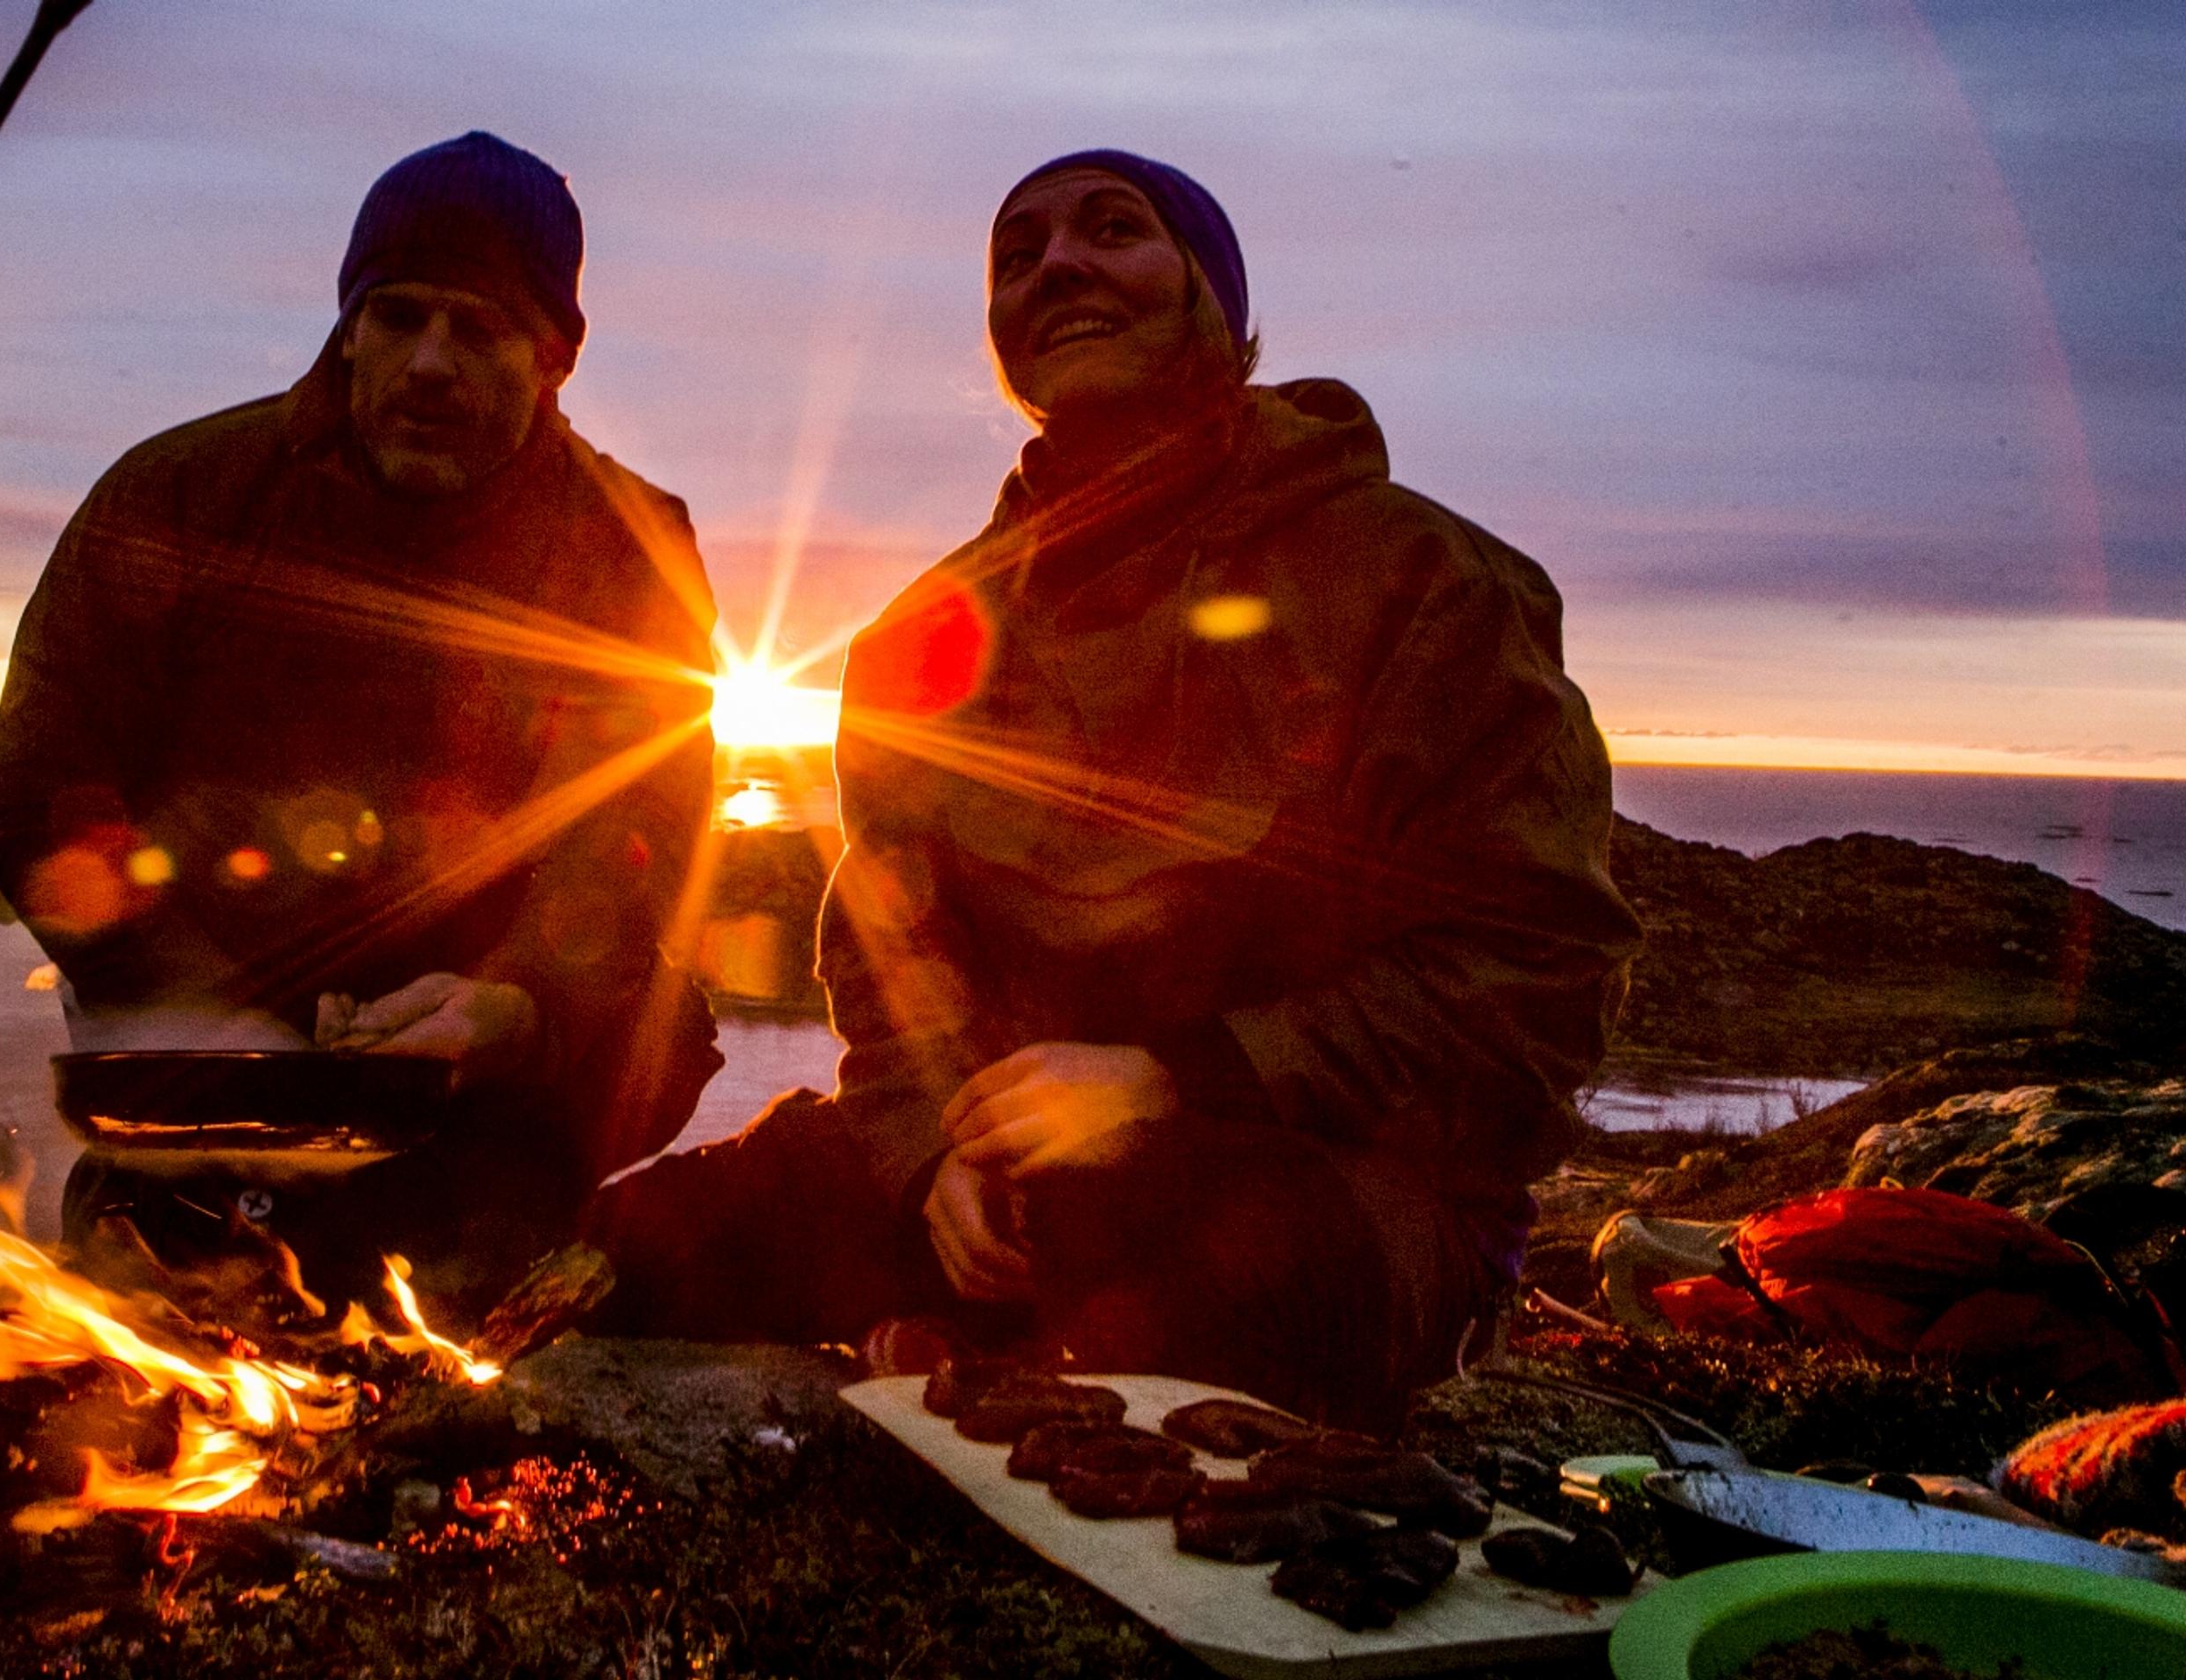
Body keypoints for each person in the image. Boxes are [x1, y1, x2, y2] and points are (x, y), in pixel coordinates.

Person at [592, 150, 1638, 1429]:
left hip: (1340, 1195)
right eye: (1017, 256)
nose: (1060, 267)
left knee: (1141, 1240)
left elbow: (1541, 971)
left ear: (1217, 301)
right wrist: (927, 1158)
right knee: (639, 1239)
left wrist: (1179, 1080)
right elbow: (885, 952)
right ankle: (945, 1334)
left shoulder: (1426, 584)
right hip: (1008, 1175)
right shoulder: (926, 636)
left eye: (1113, 230)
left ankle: (972, 1376)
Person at [0, 132, 722, 1311]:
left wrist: (517, 1002)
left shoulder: (630, 549)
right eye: (397, 316)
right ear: (349, 325)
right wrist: (216, 1021)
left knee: (469, 1372)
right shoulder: (175, 497)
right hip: (207, 1067)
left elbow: (631, 830)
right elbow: (40, 793)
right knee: (157, 1355)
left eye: (478, 329)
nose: (428, 362)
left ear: (555, 357)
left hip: (486, 1079)